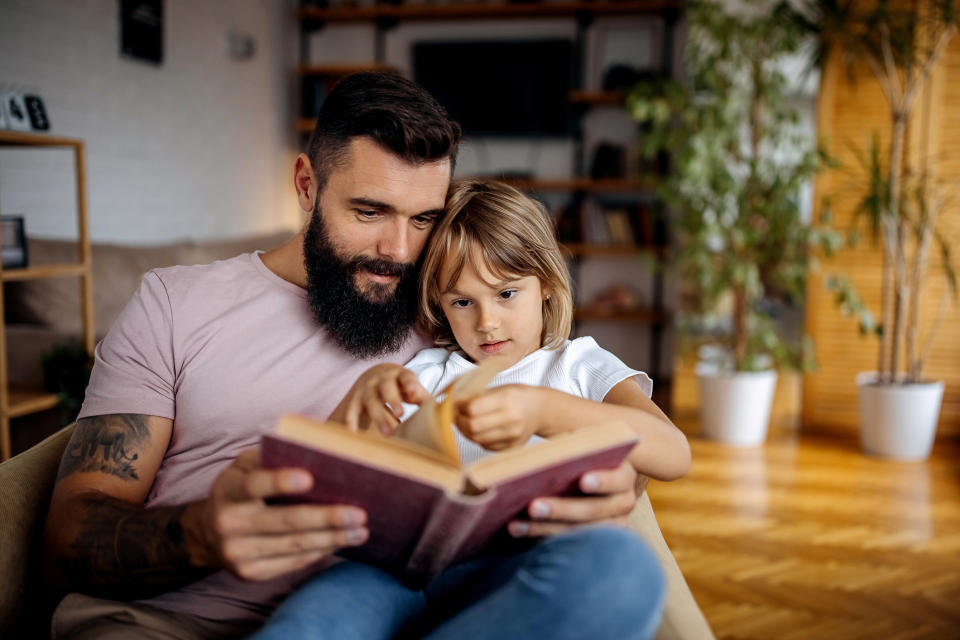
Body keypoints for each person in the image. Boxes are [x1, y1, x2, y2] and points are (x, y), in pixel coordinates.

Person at [41, 73, 663, 640]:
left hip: (404, 612)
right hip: (167, 621)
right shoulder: (176, 303)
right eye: (370, 212)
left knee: (620, 574)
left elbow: (582, 405)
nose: (397, 249)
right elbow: (70, 533)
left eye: (423, 219)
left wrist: (614, 476)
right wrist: (201, 533)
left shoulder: (453, 313)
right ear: (307, 185)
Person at [253, 179, 691, 639]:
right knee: (311, 622)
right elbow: (346, 474)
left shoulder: (578, 364)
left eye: (506, 294)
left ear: (544, 284)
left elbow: (674, 453)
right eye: (462, 302)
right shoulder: (428, 370)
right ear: (441, 307)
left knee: (623, 570)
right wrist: (366, 397)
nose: (487, 322)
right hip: (399, 573)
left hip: (518, 567)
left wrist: (546, 411)